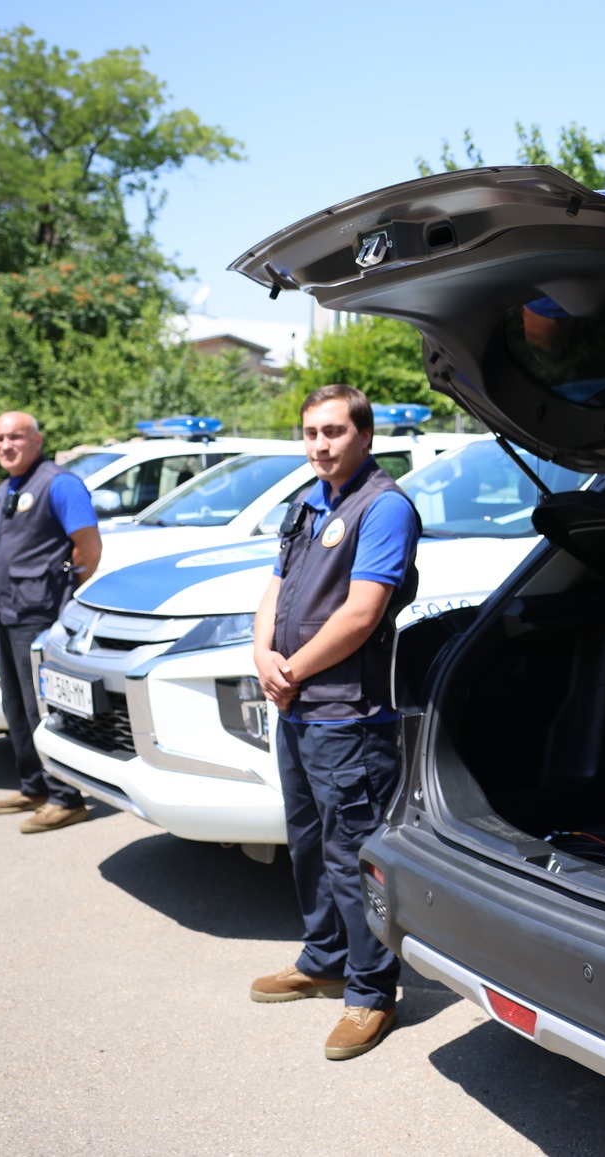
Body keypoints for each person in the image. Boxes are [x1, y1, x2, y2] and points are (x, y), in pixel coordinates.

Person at [249, 384, 421, 1062]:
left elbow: (361, 612)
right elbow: (274, 588)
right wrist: (262, 653)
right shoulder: (307, 502)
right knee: (308, 844)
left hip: (350, 715)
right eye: (311, 432)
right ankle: (323, 959)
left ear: (365, 435)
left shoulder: (384, 506)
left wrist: (289, 669)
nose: (320, 444)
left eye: (334, 431)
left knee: (353, 856)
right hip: (298, 709)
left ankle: (371, 991)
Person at [0, 412, 101, 833]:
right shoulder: (8, 487)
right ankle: (34, 786)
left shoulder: (59, 484)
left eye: (15, 437)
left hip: (39, 615)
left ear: (37, 440)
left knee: (42, 710)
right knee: (15, 708)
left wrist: (65, 593)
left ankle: (65, 798)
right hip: (7, 611)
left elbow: (88, 548)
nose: (5, 445)